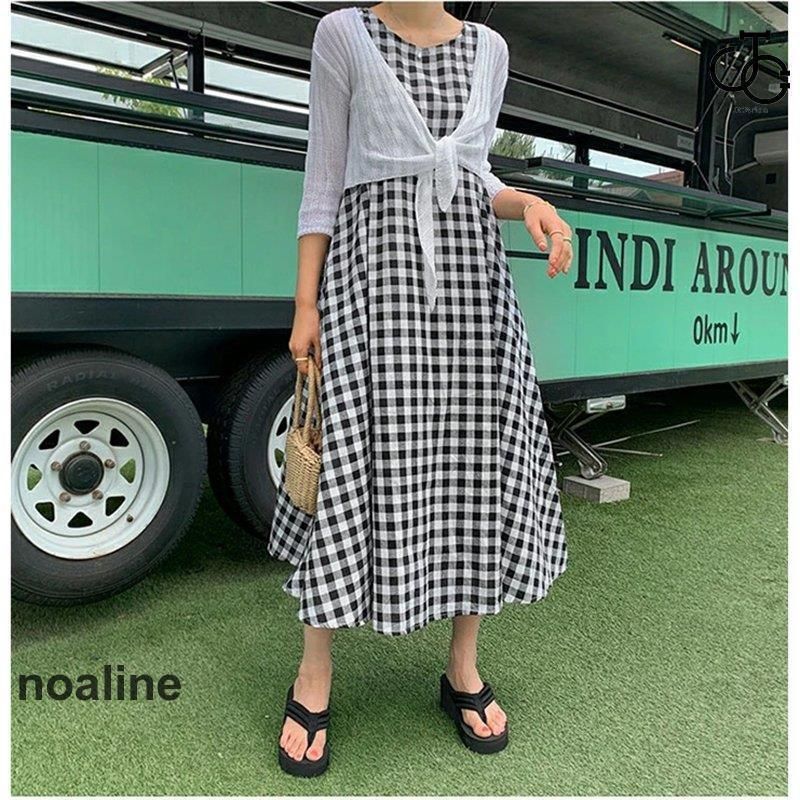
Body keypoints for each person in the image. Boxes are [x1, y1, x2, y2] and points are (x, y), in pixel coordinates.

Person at [269, 2, 571, 777]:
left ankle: (461, 666)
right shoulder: (343, 34)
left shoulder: (491, 49)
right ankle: (313, 671)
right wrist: (305, 305)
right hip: (373, 283)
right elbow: (324, 178)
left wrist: (529, 203)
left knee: (477, 464)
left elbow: (474, 174)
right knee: (349, 463)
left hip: (473, 290)